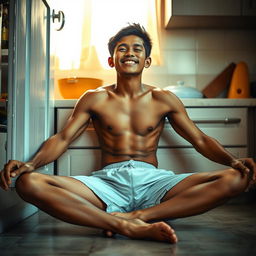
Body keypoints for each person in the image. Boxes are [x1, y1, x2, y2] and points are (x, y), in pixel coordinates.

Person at [0, 24, 255, 244]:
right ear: (112, 60)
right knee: (28, 182)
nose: (129, 52)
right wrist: (30, 164)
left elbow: (199, 139)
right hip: (107, 183)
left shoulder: (164, 98)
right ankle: (124, 226)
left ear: (147, 61)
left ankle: (137, 217)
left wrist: (232, 160)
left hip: (155, 183)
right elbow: (63, 138)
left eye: (137, 48)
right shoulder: (94, 98)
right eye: (122, 48)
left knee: (238, 178)